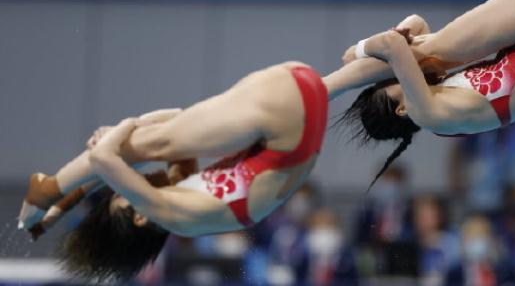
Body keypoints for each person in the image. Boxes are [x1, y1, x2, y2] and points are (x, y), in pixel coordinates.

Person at [17, 61, 333, 282]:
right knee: (139, 147)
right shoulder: (168, 212)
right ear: (139, 217)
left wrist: (131, 131)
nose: (136, 181)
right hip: (287, 126)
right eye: (123, 194)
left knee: (155, 143)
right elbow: (102, 158)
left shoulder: (178, 200)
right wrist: (124, 127)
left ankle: (53, 197)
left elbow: (176, 117)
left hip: (301, 119)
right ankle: (47, 192)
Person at [330, 0, 515, 185]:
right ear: (402, 109)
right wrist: (359, 50)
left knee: (424, 52)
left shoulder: (436, 99)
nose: (393, 74)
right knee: (423, 52)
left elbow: (417, 23)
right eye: (387, 83)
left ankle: (327, 86)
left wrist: (400, 36)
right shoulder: (429, 114)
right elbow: (392, 45)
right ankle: (326, 87)